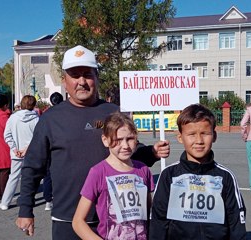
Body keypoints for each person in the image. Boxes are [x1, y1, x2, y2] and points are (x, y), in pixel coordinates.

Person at [16, 45, 170, 239]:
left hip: (116, 220)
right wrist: (25, 209)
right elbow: (33, 166)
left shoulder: (114, 112)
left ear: (96, 78)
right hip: (67, 219)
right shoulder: (50, 119)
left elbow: (128, 151)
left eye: (87, 74)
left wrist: (152, 153)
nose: (82, 82)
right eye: (74, 75)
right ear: (64, 81)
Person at [150, 104, 246, 240]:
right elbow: (158, 220)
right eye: (191, 135)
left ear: (214, 136)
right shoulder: (169, 175)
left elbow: (236, 221)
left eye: (205, 134)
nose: (199, 141)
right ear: (180, 137)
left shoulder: (225, 177)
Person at [73, 112, 154, 239]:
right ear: (105, 140)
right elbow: (78, 222)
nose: (125, 146)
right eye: (118, 140)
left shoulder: (143, 170)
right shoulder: (98, 172)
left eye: (130, 139)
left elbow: (149, 212)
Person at [0, 95, 39, 210]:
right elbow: (38, 138)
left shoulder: (13, 118)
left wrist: (14, 148)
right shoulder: (36, 119)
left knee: (13, 177)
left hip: (16, 153)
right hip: (31, 153)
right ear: (33, 105)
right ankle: (28, 200)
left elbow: (7, 135)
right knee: (30, 177)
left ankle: (5, 202)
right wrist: (26, 149)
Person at [43, 92, 64, 211]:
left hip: (49, 146)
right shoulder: (67, 114)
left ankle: (48, 199)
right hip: (62, 147)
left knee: (48, 175)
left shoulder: (46, 114)